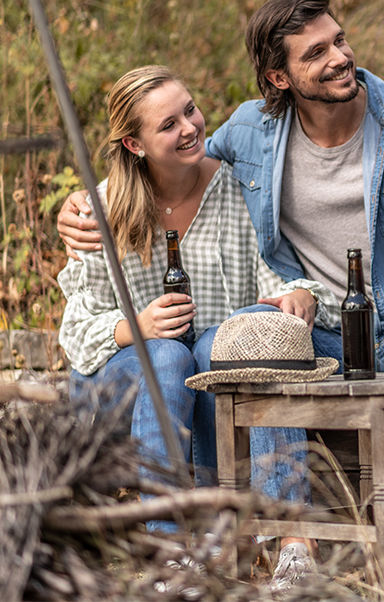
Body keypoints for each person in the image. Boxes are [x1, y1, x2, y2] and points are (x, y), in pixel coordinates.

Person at [56, 0, 384, 583]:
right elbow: (164, 173)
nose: (340, 57)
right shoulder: (249, 134)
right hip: (321, 339)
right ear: (280, 77)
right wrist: (79, 206)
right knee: (240, 338)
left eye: (339, 41)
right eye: (316, 53)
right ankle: (286, 542)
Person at [58, 65, 343, 590]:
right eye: (168, 124)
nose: (190, 127)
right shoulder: (101, 211)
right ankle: (169, 555)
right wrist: (137, 327)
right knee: (167, 356)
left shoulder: (233, 187)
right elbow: (75, 332)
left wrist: (299, 294)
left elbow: (272, 278)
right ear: (135, 144)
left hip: (211, 371)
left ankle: (282, 544)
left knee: (236, 337)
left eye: (189, 110)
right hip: (117, 384)